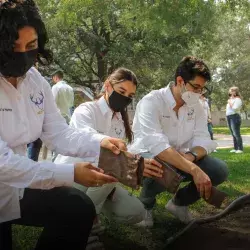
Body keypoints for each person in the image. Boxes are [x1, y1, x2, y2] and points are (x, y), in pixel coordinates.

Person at [0, 1, 126, 249]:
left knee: (77, 207)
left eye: (31, 46)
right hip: (7, 175)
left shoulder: (35, 81)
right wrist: (70, 173)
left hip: (15, 186)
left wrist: (99, 143)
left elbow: (57, 132)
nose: (24, 55)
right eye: (13, 47)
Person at [55, 68, 163, 227]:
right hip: (71, 176)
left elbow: (117, 158)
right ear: (108, 86)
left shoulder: (120, 120)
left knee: (137, 212)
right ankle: (83, 223)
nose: (125, 98)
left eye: (130, 96)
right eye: (121, 91)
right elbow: (87, 139)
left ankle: (91, 211)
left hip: (98, 178)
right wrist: (130, 164)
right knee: (112, 172)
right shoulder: (85, 110)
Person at [130, 56, 228, 227]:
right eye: (195, 87)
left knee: (219, 170)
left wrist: (190, 156)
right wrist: (193, 169)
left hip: (182, 156)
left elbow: (204, 139)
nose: (199, 93)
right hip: (149, 157)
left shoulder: (196, 105)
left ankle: (179, 204)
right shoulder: (151, 102)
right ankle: (145, 206)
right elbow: (157, 146)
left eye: (202, 89)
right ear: (180, 81)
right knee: (164, 164)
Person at [226, 86, 243, 153]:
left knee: (236, 133)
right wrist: (230, 101)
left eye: (232, 91)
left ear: (235, 92)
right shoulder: (231, 99)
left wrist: (229, 102)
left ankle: (240, 149)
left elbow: (235, 108)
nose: (230, 92)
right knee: (233, 133)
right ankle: (235, 148)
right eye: (230, 91)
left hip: (235, 116)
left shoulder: (237, 99)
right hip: (229, 116)